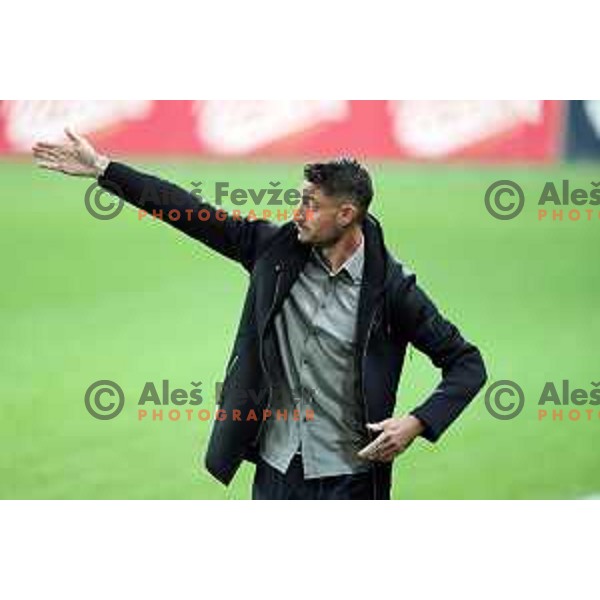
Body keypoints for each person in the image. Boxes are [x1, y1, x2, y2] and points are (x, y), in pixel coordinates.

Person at [33, 128, 487, 500]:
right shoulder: (274, 250)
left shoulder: (393, 289)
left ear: (346, 214)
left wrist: (416, 423)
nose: (299, 212)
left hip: (351, 478)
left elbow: (466, 364)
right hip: (277, 468)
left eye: (312, 203)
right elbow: (192, 214)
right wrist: (103, 169)